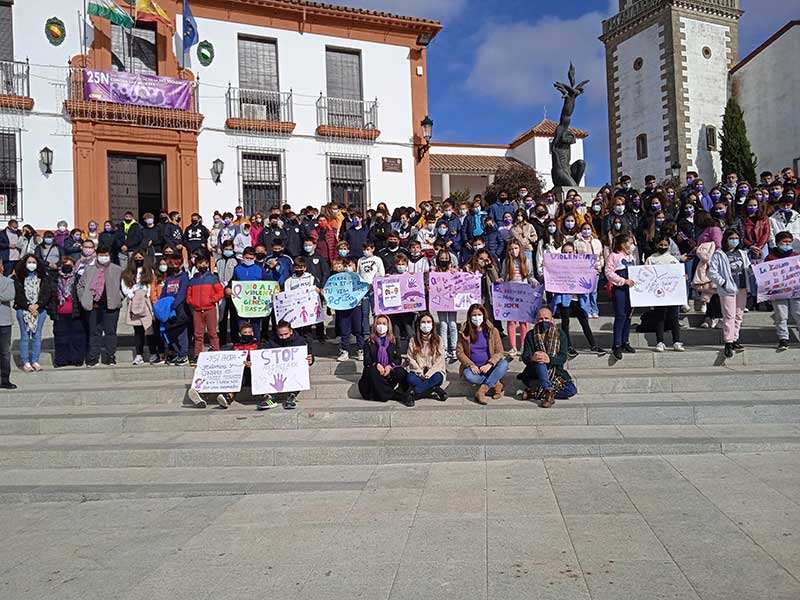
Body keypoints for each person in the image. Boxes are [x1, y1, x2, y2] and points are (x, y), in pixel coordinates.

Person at [519, 307, 576, 408]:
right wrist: (533, 358)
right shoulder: (530, 335)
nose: (543, 321)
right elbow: (525, 357)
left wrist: (550, 359)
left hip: (555, 373)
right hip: (534, 372)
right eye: (541, 319)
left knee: (571, 390)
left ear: (552, 320)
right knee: (540, 361)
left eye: (546, 318)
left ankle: (534, 393)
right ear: (536, 320)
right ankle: (548, 392)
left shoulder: (560, 334)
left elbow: (563, 358)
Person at [77, 245, 123, 367]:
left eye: (106, 255)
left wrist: (119, 297)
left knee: (110, 332)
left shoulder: (117, 269)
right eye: (101, 255)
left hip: (111, 305)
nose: (103, 257)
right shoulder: (89, 269)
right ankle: (93, 357)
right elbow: (80, 285)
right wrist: (84, 299)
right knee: (94, 332)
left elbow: (124, 286)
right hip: (94, 306)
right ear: (97, 255)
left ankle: (110, 356)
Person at [710, 228, 751, 359]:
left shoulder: (743, 253)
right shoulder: (719, 254)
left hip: (742, 287)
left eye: (736, 238)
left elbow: (748, 268)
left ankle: (735, 338)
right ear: (726, 240)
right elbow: (712, 272)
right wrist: (723, 283)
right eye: (731, 238)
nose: (734, 241)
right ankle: (728, 341)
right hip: (728, 288)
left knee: (739, 315)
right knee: (729, 315)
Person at [456, 303, 508, 405]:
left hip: (489, 367)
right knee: (468, 375)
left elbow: (500, 351)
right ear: (470, 317)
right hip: (474, 368)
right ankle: (495, 384)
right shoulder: (464, 332)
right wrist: (470, 365)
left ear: (484, 315)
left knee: (504, 364)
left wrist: (490, 364)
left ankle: (482, 390)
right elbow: (459, 352)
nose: (477, 318)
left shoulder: (492, 331)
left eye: (479, 315)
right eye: (474, 315)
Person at [258, 319, 314, 410]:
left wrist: (311, 359)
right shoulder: (271, 342)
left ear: (291, 331)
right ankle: (270, 397)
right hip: (276, 371)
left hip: (292, 371)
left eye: (285, 334)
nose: (283, 337)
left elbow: (308, 356)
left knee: (300, 369)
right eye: (280, 335)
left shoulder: (300, 341)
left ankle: (292, 395)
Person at [358, 315, 413, 406]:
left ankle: (391, 391)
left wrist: (389, 366)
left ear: (388, 326)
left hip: (388, 374)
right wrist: (376, 365)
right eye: (379, 323)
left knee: (400, 371)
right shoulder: (369, 342)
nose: (381, 326)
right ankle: (398, 396)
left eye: (384, 323)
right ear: (375, 326)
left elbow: (398, 359)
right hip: (374, 377)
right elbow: (367, 361)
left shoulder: (393, 340)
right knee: (371, 370)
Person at [644, 236, 685, 352]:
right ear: (657, 245)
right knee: (660, 317)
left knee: (674, 317)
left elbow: (678, 274)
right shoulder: (651, 259)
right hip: (658, 294)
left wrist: (683, 276)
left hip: (672, 293)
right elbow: (646, 274)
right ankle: (660, 341)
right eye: (661, 245)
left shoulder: (673, 259)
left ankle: (676, 341)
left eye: (665, 245)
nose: (663, 247)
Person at [499, 239, 539, 356]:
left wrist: (534, 281)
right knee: (511, 321)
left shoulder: (526, 260)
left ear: (520, 249)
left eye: (516, 248)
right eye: (511, 249)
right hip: (510, 293)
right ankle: (513, 347)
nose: (514, 251)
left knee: (523, 321)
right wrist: (501, 280)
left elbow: (529, 275)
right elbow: (503, 275)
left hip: (523, 293)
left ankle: (523, 345)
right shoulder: (506, 261)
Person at [12, 255, 51, 373]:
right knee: (25, 336)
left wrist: (37, 305)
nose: (31, 264)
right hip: (23, 310)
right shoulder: (17, 278)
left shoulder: (43, 277)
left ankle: (35, 361)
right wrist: (28, 306)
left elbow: (46, 293)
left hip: (40, 310)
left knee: (37, 336)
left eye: (34, 262)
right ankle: (26, 362)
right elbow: (18, 295)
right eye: (29, 262)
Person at [121, 250, 157, 365]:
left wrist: (147, 294)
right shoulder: (128, 272)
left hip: (146, 300)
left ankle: (153, 353)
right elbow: (124, 285)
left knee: (149, 328)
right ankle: (138, 355)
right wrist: (131, 295)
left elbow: (151, 284)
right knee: (138, 330)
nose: (138, 260)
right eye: (136, 258)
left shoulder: (149, 271)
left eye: (140, 258)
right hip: (134, 300)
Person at [605, 234, 637, 360]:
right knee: (620, 315)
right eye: (630, 243)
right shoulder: (614, 256)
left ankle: (625, 341)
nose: (632, 245)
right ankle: (616, 344)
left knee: (629, 315)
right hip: (620, 289)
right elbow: (608, 272)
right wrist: (623, 281)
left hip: (631, 290)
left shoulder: (632, 257)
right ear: (623, 245)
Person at [766, 232, 800, 350]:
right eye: (784, 242)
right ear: (777, 243)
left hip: (795, 291)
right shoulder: (770, 257)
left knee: (798, 313)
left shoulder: (795, 256)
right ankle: (783, 339)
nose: (787, 244)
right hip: (778, 292)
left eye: (789, 242)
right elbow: (765, 274)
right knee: (781, 315)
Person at [187, 253, 224, 359]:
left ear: (207, 264)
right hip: (197, 310)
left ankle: (215, 352)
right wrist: (191, 301)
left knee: (212, 332)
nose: (201, 265)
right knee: (198, 334)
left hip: (210, 309)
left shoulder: (213, 278)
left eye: (203, 263)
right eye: (199, 264)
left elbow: (220, 292)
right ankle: (197, 354)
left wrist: (212, 300)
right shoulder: (193, 280)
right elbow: (189, 294)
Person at [404, 312, 447, 402]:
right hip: (418, 372)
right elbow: (410, 358)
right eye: (423, 322)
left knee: (438, 377)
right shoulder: (413, 340)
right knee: (410, 378)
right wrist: (420, 372)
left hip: (433, 372)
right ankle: (434, 389)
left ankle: (413, 392)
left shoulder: (438, 339)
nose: (426, 324)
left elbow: (440, 359)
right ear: (419, 324)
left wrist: (429, 373)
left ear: (432, 324)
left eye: (428, 322)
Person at [158, 255, 191, 366]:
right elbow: (163, 293)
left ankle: (184, 354)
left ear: (181, 265)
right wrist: (162, 306)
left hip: (179, 309)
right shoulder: (169, 278)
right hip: (168, 309)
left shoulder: (184, 277)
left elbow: (182, 293)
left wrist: (174, 305)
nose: (173, 266)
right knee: (171, 333)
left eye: (175, 264)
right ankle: (177, 353)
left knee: (181, 333)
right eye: (171, 264)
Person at [574, 222, 604, 318]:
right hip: (583, 271)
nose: (586, 230)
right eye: (584, 229)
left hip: (595, 269)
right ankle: (586, 310)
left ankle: (594, 309)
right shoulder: (577, 242)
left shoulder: (597, 242)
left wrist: (600, 265)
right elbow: (574, 256)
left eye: (588, 228)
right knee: (585, 292)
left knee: (593, 292)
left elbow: (601, 255)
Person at [0, 260, 14, 388]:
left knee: (4, 352)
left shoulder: (8, 281)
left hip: (4, 322)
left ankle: (5, 379)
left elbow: (9, 295)